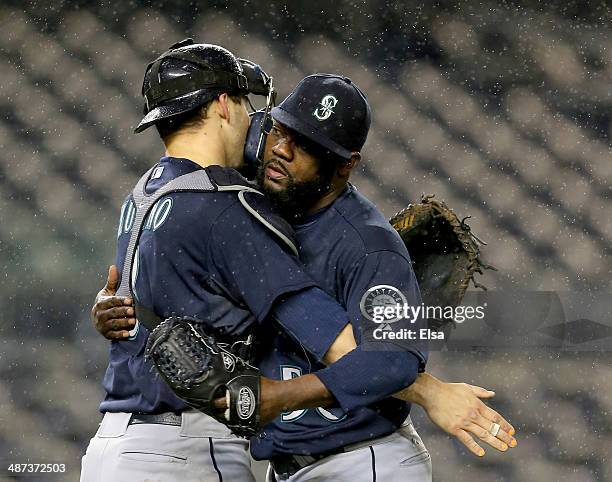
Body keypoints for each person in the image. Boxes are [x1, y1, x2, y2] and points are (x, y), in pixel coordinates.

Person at [91, 69, 517, 480]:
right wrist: (125, 300)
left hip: (359, 459)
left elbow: (392, 359)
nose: (282, 150)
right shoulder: (251, 188)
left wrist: (279, 397)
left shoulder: (369, 248)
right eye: (280, 130)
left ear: (345, 165)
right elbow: (184, 202)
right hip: (286, 466)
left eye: (307, 145)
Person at [80, 40, 361, 482]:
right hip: (183, 451)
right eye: (245, 103)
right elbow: (333, 340)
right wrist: (426, 389)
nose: (253, 118)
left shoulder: (143, 193)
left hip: (113, 447)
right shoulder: (226, 207)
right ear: (224, 105)